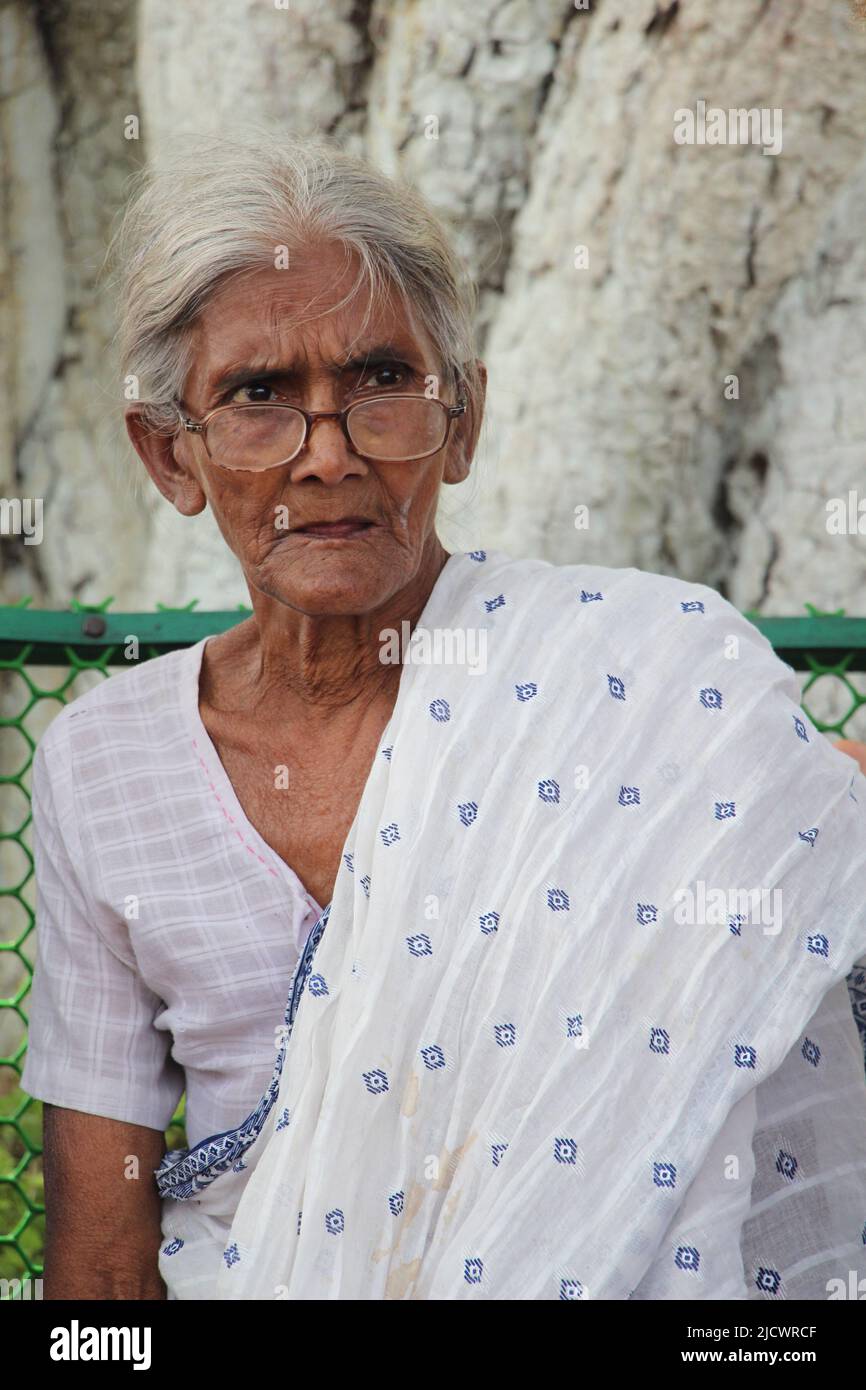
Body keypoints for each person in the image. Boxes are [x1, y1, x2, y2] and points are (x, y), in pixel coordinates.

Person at [22, 128, 866, 1301]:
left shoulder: (643, 670)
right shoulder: (101, 765)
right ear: (172, 454)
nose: (328, 455)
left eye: (380, 383)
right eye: (259, 396)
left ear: (457, 423)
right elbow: (100, 1268)